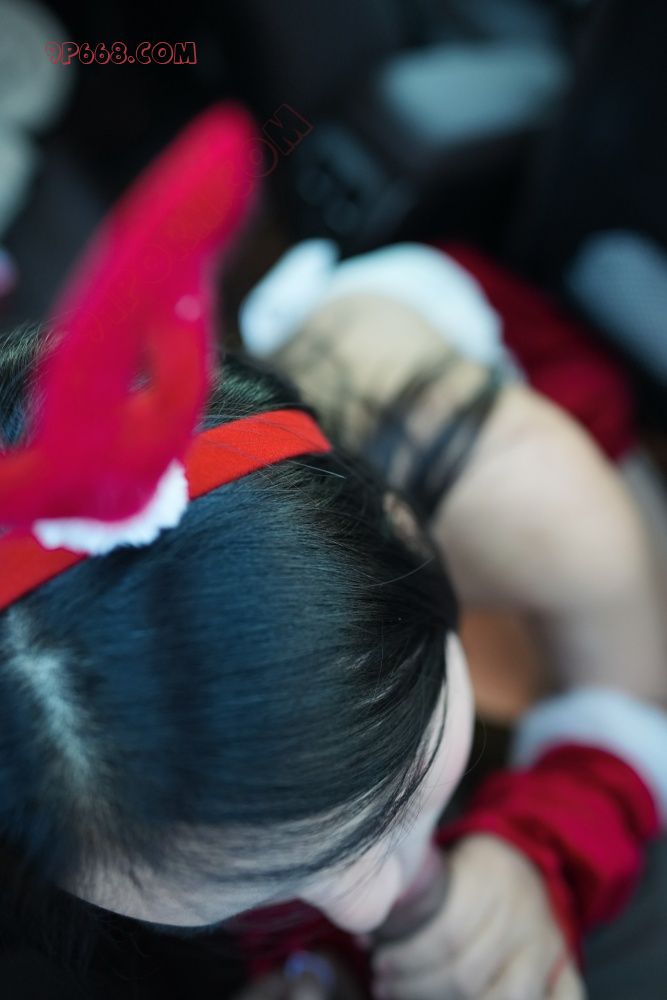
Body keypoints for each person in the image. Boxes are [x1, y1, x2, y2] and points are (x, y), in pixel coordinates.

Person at [0, 105, 665, 1000]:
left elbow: (632, 704)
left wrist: (530, 857)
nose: (367, 910)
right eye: (252, 893)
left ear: (401, 531)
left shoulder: (529, 502)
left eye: (392, 805)